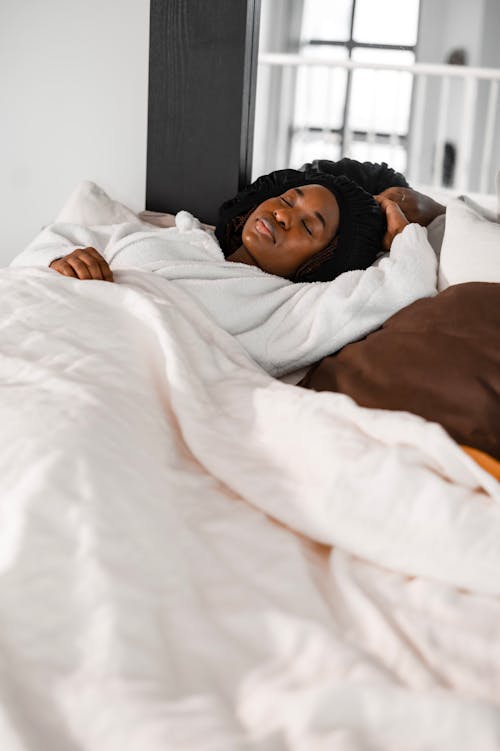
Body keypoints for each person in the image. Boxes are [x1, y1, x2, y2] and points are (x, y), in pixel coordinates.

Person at [9, 160, 439, 377]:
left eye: (309, 225)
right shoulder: (175, 235)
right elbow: (52, 241)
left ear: (323, 262)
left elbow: (403, 285)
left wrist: (399, 229)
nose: (285, 215)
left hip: (105, 369)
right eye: (289, 199)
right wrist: (59, 263)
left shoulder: (288, 308)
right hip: (42, 326)